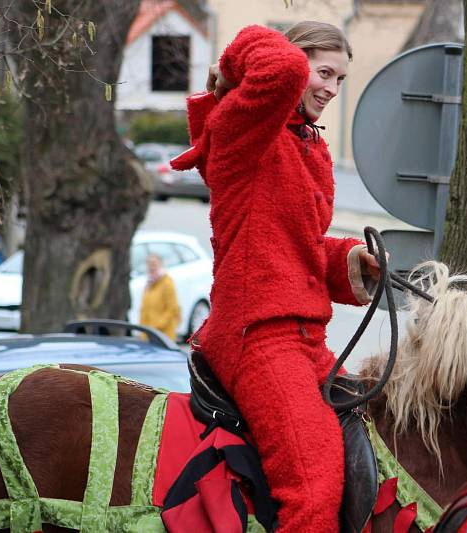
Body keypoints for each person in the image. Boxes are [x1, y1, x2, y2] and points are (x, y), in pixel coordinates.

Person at [171, 22, 381, 532]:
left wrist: (355, 260)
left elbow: (298, 249)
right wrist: (234, 69)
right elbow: (281, 68)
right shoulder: (244, 127)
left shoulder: (308, 147)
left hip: (307, 339)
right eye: (323, 72)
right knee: (313, 493)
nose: (332, 88)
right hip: (257, 336)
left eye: (340, 78)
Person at [139, 253, 181, 341]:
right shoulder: (149, 283)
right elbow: (144, 309)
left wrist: (156, 326)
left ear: (161, 265)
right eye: (149, 264)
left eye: (154, 264)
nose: (151, 267)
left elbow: (173, 309)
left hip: (163, 335)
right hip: (148, 334)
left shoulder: (167, 283)